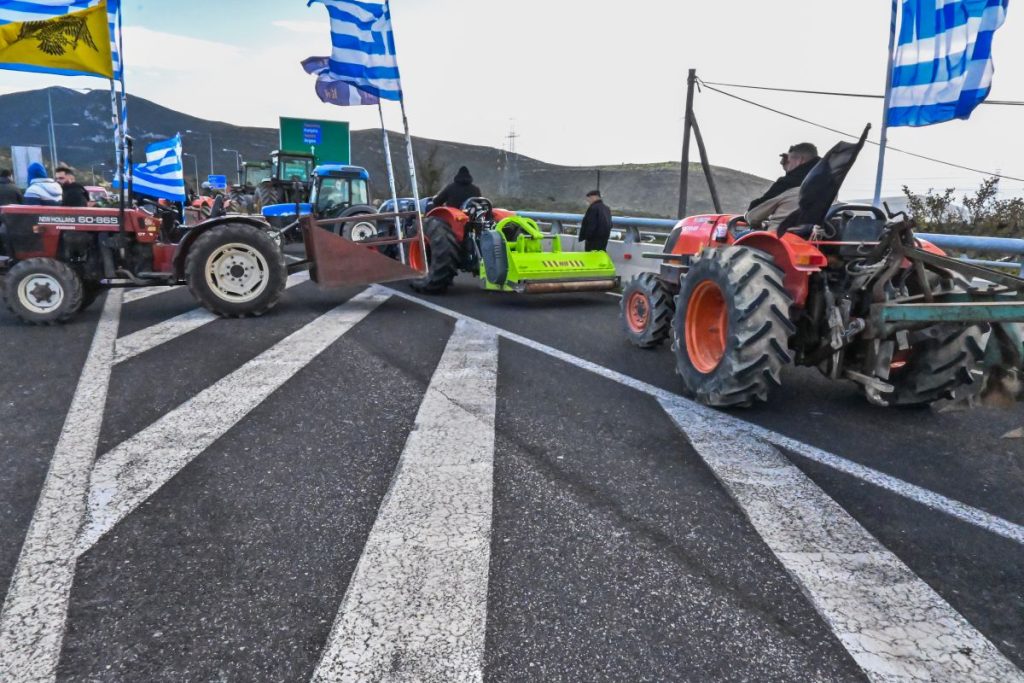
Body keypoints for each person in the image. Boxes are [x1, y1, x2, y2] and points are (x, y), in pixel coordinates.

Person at [747, 142, 820, 211]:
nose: (784, 163)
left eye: (789, 160)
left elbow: (757, 208)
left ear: (800, 160)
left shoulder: (787, 182)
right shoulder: (823, 180)